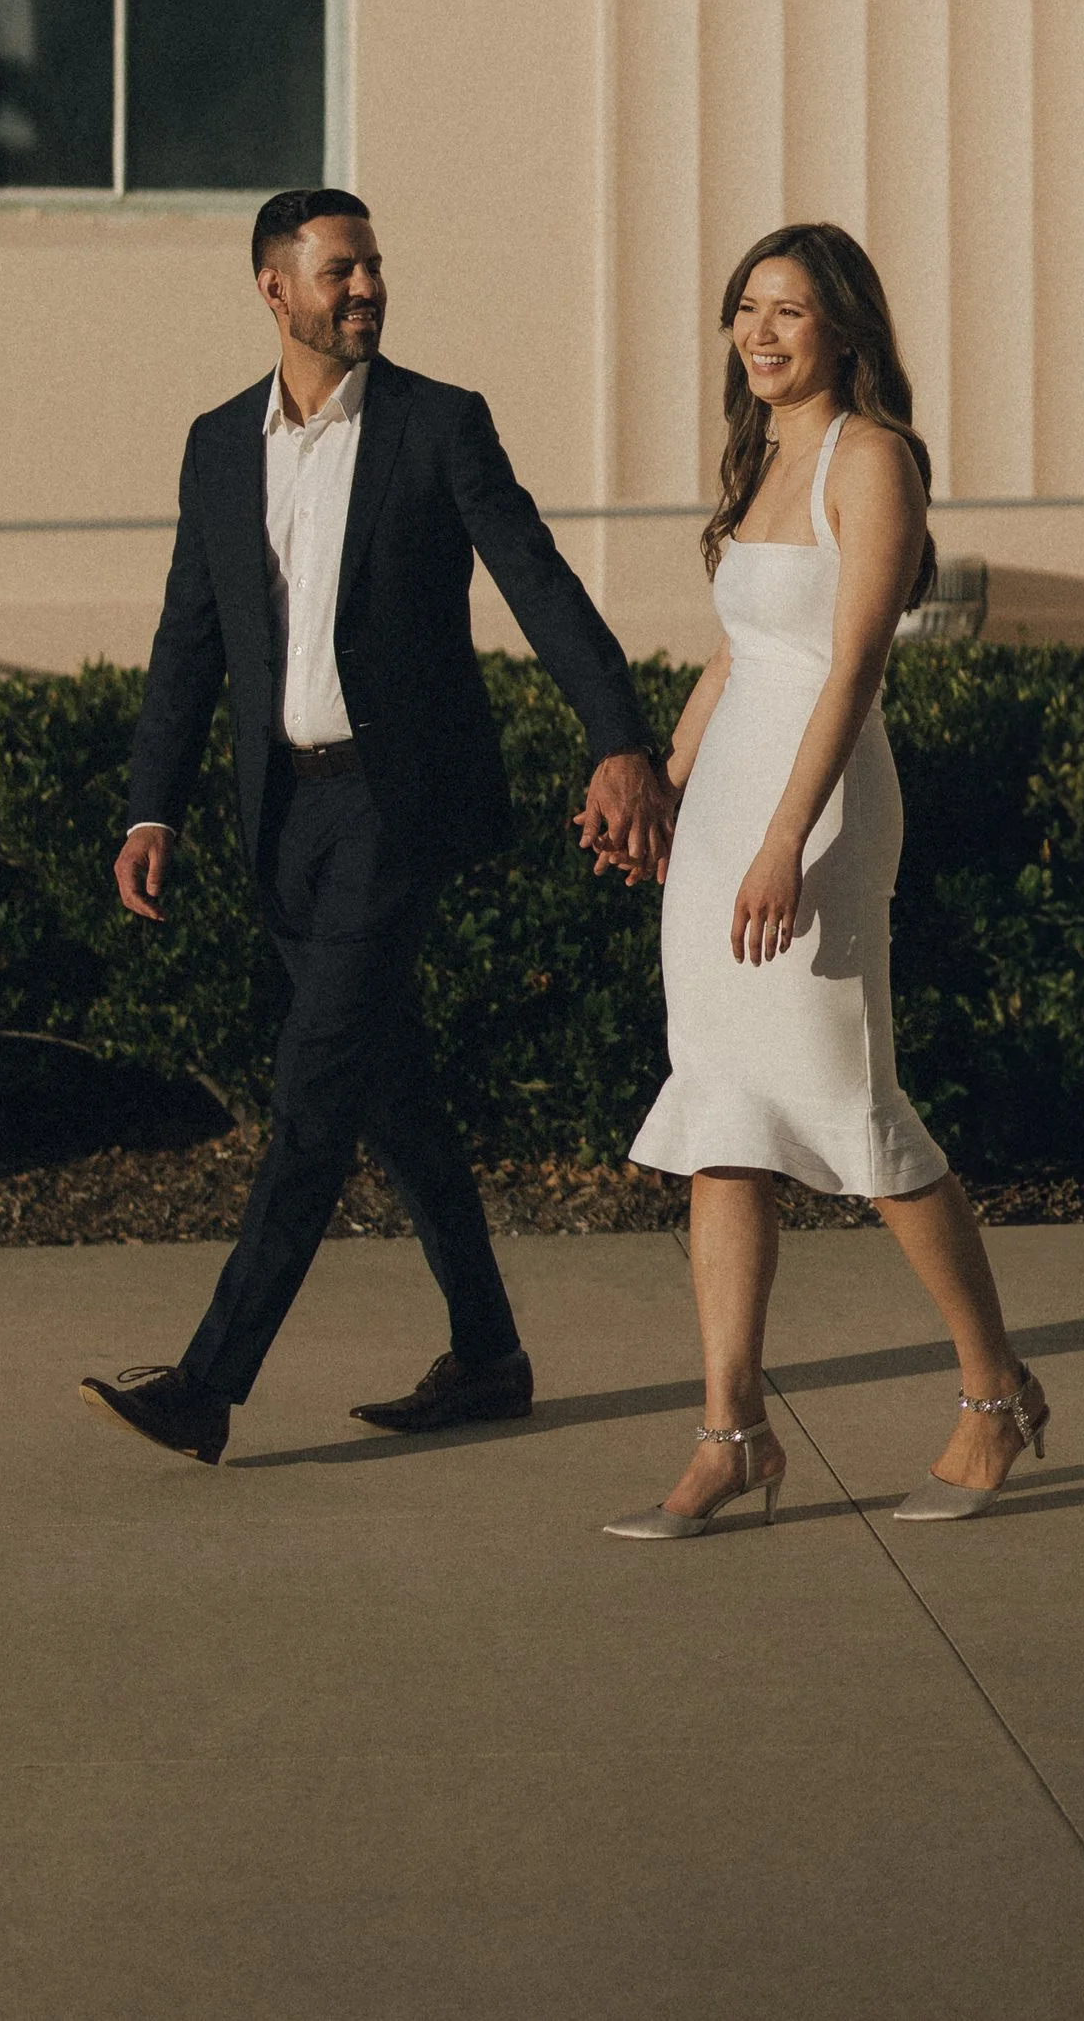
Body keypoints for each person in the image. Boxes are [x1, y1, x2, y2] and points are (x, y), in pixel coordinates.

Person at [80, 188, 673, 1465]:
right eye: (339, 271)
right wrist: (151, 804)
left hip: (393, 810)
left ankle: (207, 1382)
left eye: (374, 269)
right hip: (278, 815)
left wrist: (618, 739)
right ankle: (490, 1353)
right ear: (272, 289)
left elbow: (539, 581)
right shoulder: (214, 445)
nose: (366, 289)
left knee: (311, 1094)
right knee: (390, 1098)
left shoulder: (435, 426)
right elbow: (191, 636)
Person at [605, 222, 1049, 1537]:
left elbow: (852, 667)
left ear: (843, 327)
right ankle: (731, 1432)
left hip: (824, 806)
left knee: (853, 1106)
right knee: (724, 1116)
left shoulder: (871, 458)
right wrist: (666, 786)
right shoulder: (765, 458)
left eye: (788, 309)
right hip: (734, 809)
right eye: (747, 308)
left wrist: (785, 836)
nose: (760, 331)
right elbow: (741, 650)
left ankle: (994, 1389)